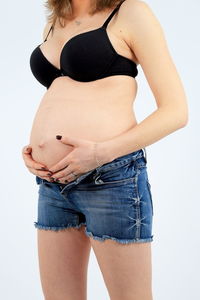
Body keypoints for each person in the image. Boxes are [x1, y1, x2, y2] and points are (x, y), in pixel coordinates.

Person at [22, 0, 188, 299]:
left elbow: (176, 111)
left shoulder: (130, 12)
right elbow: (63, 95)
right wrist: (35, 150)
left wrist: (101, 152)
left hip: (110, 179)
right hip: (52, 184)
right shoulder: (55, 21)